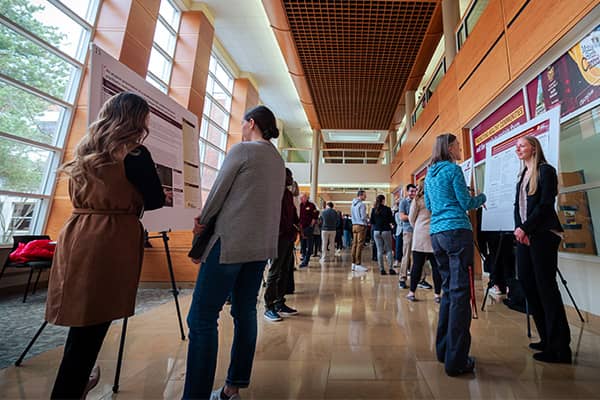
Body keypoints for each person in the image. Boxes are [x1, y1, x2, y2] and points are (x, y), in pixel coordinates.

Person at [45, 92, 165, 399]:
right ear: (138, 119)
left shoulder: (86, 147)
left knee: (82, 319)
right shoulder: (134, 153)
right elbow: (155, 200)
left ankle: (76, 383)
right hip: (110, 237)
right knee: (93, 322)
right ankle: (70, 389)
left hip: (78, 231)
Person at [183, 105, 285, 399]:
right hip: (259, 249)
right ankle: (233, 387)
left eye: (242, 124)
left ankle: (195, 395)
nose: (240, 128)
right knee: (245, 313)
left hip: (229, 244)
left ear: (251, 123)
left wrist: (201, 222)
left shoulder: (243, 151)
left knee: (201, 318)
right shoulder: (278, 161)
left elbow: (217, 193)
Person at [424, 133, 486, 377]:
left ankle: (444, 351)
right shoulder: (453, 169)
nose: (460, 148)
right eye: (458, 145)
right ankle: (456, 360)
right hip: (456, 232)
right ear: (450, 148)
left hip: (437, 235)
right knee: (461, 294)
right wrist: (481, 197)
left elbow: (429, 205)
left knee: (449, 291)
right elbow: (464, 203)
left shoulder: (430, 174)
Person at [513, 136, 571, 363]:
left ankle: (560, 348)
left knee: (546, 289)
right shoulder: (522, 176)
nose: (518, 148)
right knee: (528, 285)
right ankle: (546, 339)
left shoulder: (546, 171)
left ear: (534, 148)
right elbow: (518, 207)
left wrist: (526, 228)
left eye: (522, 145)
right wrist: (521, 230)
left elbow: (545, 206)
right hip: (527, 237)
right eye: (516, 146)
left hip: (544, 236)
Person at [263, 168, 299, 322]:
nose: (291, 178)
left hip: (289, 237)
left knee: (286, 270)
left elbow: (293, 214)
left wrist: (297, 226)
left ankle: (280, 302)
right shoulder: (273, 193)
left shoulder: (288, 194)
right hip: (278, 237)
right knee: (275, 271)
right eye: (289, 176)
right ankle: (269, 306)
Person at [406, 185, 441, 302]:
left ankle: (411, 292)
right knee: (436, 267)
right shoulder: (437, 197)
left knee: (417, 266)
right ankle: (437, 294)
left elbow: (411, 218)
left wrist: (418, 227)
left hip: (420, 234)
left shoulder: (418, 200)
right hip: (435, 234)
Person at [370, 194, 396, 275]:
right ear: (383, 200)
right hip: (386, 230)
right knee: (389, 250)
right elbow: (391, 220)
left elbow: (371, 221)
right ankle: (391, 269)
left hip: (376, 231)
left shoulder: (374, 209)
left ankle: (382, 269)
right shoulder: (387, 209)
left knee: (379, 250)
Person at [398, 184, 417, 289]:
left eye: (415, 191)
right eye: (411, 191)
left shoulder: (418, 201)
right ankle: (402, 278)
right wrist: (413, 217)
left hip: (418, 231)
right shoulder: (404, 202)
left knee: (418, 256)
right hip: (408, 231)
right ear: (407, 192)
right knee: (406, 255)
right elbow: (402, 217)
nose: (413, 193)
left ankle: (419, 279)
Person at [350, 190, 369, 272]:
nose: (365, 197)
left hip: (354, 225)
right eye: (364, 195)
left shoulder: (353, 204)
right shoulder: (362, 205)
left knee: (354, 244)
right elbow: (363, 217)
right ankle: (358, 263)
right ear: (360, 195)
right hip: (361, 225)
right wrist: (367, 219)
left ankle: (353, 263)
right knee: (359, 245)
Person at [298, 193, 318, 267]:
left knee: (309, 245)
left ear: (306, 197)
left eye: (302, 197)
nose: (301, 199)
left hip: (308, 228)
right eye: (300, 198)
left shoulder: (311, 205)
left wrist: (311, 225)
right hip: (301, 228)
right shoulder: (300, 205)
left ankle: (306, 261)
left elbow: (315, 215)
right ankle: (304, 258)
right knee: (302, 244)